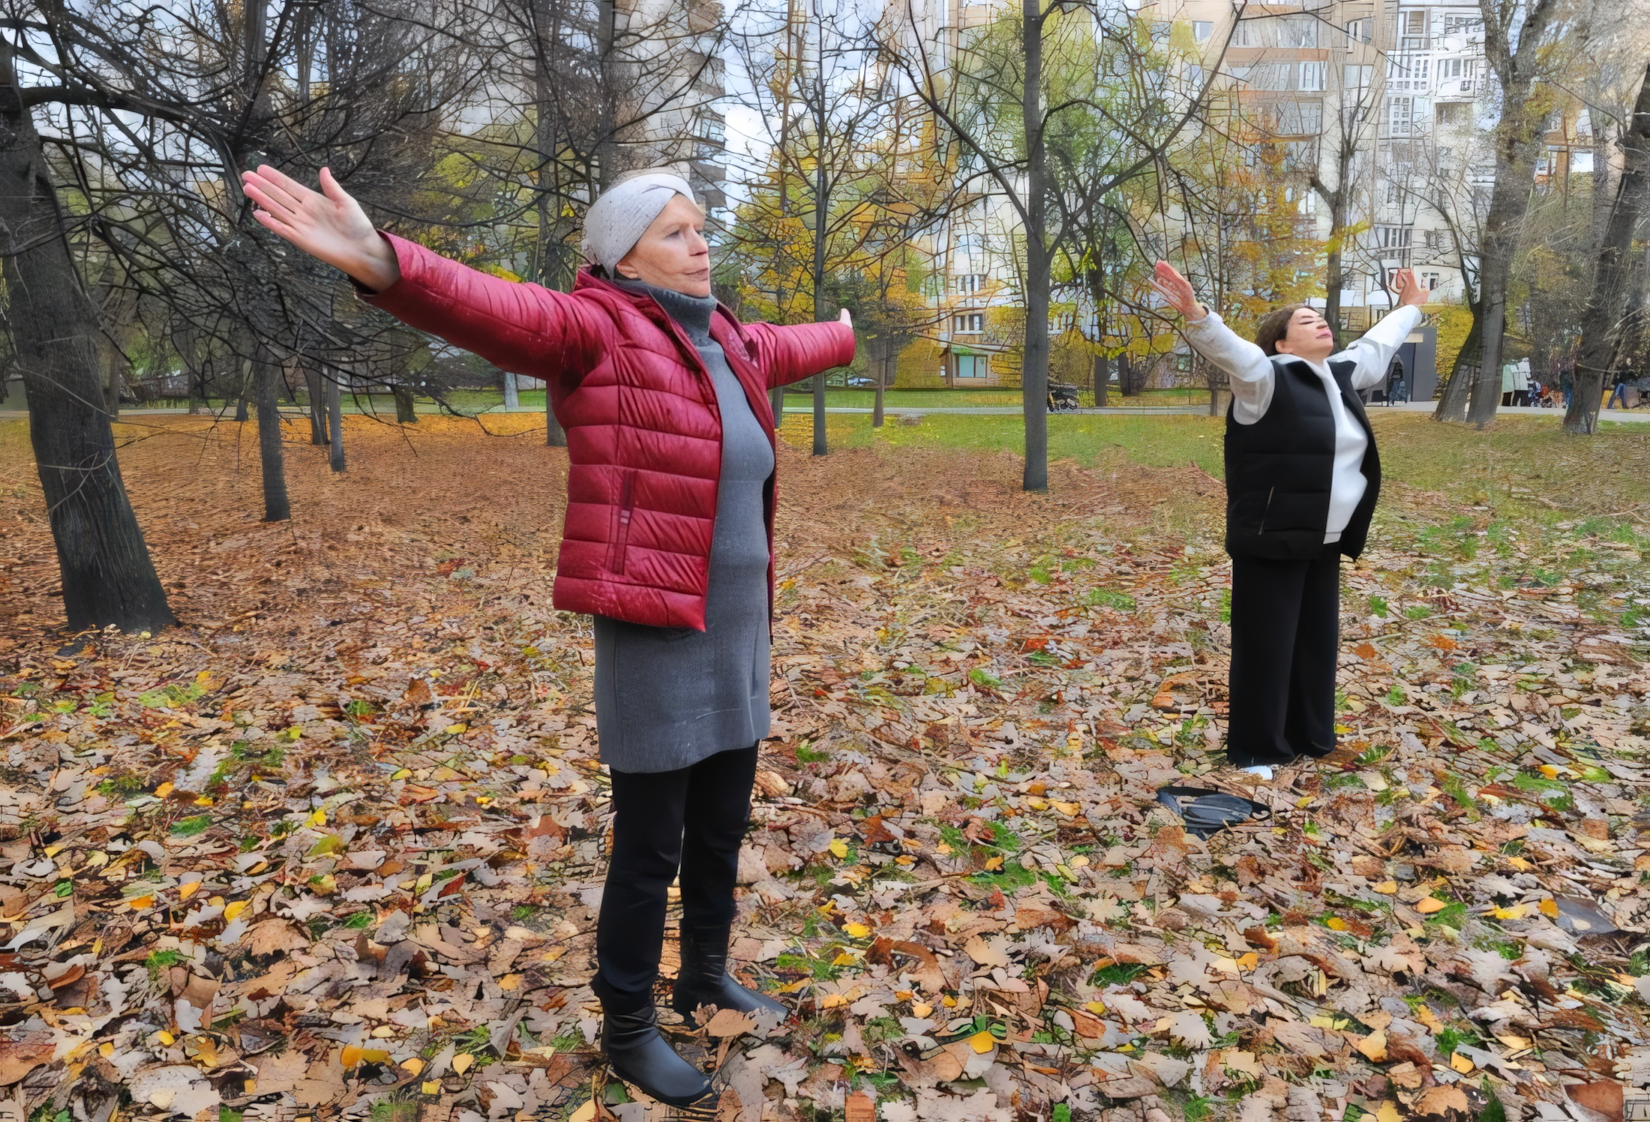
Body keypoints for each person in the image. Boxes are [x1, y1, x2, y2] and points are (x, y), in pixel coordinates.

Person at [241, 165, 855, 1106]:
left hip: (737, 628)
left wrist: (849, 332)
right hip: (655, 628)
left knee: (723, 827)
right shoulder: (599, 328)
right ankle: (629, 1026)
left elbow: (800, 341)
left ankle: (703, 977)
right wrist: (384, 263)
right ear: (622, 257)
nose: (702, 245)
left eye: (701, 229)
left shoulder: (733, 341)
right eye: (678, 232)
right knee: (652, 844)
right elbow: (496, 309)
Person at [1149, 262, 1428, 781]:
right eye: (1304, 320)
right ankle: (1257, 751)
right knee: (1266, 650)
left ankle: (1311, 738)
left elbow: (1376, 346)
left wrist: (1411, 306)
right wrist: (1197, 314)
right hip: (1271, 539)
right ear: (1281, 343)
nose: (1320, 322)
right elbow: (1237, 353)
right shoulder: (1265, 379)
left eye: (1320, 317)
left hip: (1323, 540)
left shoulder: (1340, 375)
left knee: (1316, 644)